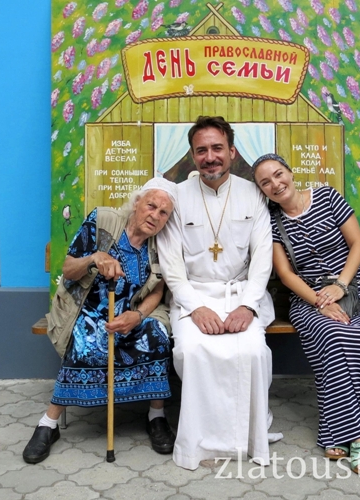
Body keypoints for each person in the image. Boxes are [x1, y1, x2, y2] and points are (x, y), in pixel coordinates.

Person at [23, 178, 178, 464]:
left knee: (156, 334)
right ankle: (49, 423)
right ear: (137, 203)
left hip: (131, 312)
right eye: (151, 206)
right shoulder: (104, 220)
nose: (155, 216)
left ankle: (156, 416)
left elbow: (158, 290)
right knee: (88, 340)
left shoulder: (160, 244)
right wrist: (94, 258)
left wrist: (137, 316)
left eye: (163, 212)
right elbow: (69, 269)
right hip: (87, 308)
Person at [156, 116, 277, 470]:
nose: (210, 157)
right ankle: (199, 445)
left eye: (217, 148)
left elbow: (263, 258)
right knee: (192, 351)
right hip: (192, 296)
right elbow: (170, 263)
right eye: (202, 150)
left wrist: (248, 306)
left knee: (253, 351)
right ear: (192, 155)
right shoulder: (177, 196)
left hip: (242, 294)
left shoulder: (252, 194)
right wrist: (195, 308)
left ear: (232, 151)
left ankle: (249, 439)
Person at [252, 153, 360, 476]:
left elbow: (358, 245)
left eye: (278, 174)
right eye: (265, 183)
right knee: (336, 336)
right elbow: (286, 274)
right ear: (262, 190)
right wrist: (321, 302)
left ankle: (332, 431)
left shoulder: (327, 196)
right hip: (308, 300)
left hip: (353, 290)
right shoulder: (271, 221)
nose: (275, 184)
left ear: (291, 173)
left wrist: (340, 285)